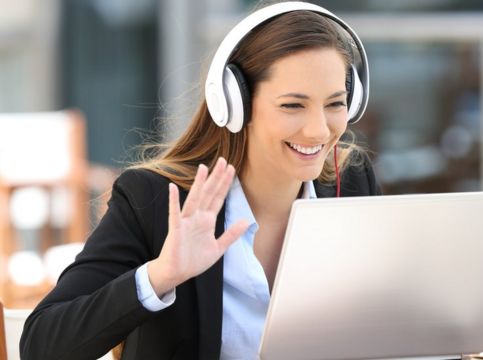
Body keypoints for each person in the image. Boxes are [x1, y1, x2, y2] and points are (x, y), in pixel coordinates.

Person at [20, 1, 381, 359]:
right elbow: (42, 345)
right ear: (234, 102)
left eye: (335, 103)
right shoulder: (155, 199)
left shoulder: (350, 185)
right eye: (292, 105)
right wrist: (161, 275)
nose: (319, 129)